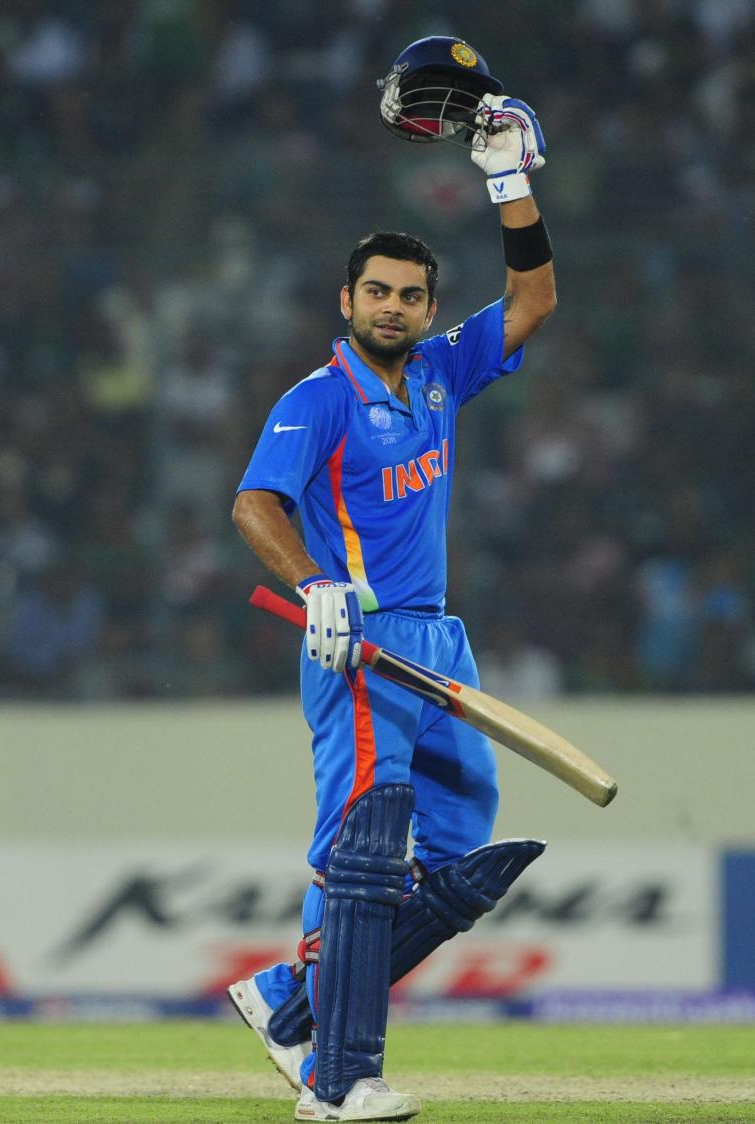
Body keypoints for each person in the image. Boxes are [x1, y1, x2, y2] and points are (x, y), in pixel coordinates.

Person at [229, 38, 556, 1123]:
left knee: (456, 853)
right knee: (366, 854)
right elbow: (254, 504)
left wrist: (506, 179)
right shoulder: (317, 396)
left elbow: (533, 299)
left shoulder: (440, 374)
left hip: (437, 642)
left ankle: (290, 999)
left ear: (425, 308)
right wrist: (316, 587)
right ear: (347, 298)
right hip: (361, 643)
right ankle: (337, 1082)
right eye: (377, 291)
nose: (393, 306)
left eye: (411, 295)